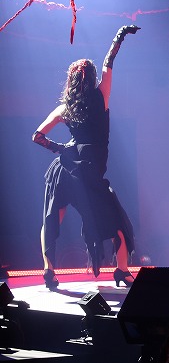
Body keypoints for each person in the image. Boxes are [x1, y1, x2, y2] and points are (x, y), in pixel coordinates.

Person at [33, 25, 140, 290]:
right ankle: (122, 270)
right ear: (91, 78)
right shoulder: (101, 95)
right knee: (116, 220)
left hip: (66, 168)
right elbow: (108, 63)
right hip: (88, 171)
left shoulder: (64, 108)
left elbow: (37, 136)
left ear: (70, 82)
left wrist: (61, 148)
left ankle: (48, 270)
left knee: (52, 218)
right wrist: (119, 36)